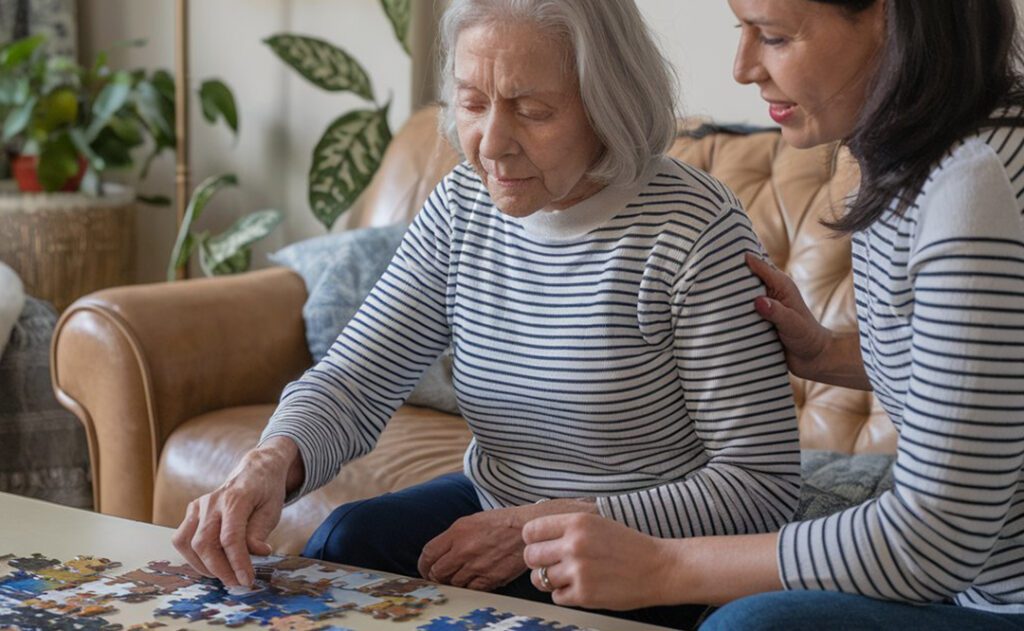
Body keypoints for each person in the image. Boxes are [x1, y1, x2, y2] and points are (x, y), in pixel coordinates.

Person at [172, 0, 800, 628]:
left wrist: (534, 529)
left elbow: (760, 487)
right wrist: (270, 462)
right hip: (498, 506)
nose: (492, 144)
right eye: (472, 103)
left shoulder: (693, 231)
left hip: (638, 545)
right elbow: (356, 380)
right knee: (346, 541)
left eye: (532, 111)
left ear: (611, 104)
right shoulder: (463, 203)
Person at [521, 0, 1024, 628]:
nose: (743, 67)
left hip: (995, 596)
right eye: (743, 30)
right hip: (974, 586)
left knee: (750, 622)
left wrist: (662, 567)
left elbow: (935, 537)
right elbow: (993, 374)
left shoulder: (976, 183)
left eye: (775, 36)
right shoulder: (914, 156)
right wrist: (826, 353)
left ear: (894, 23)